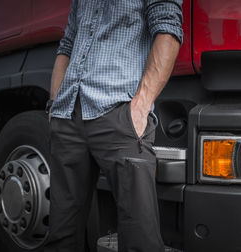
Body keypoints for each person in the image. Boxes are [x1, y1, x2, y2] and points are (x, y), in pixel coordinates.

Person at [44, 0, 183, 251]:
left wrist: (140, 108)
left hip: (120, 115)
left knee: (140, 238)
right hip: (68, 116)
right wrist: (55, 105)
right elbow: (67, 45)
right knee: (60, 235)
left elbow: (168, 30)